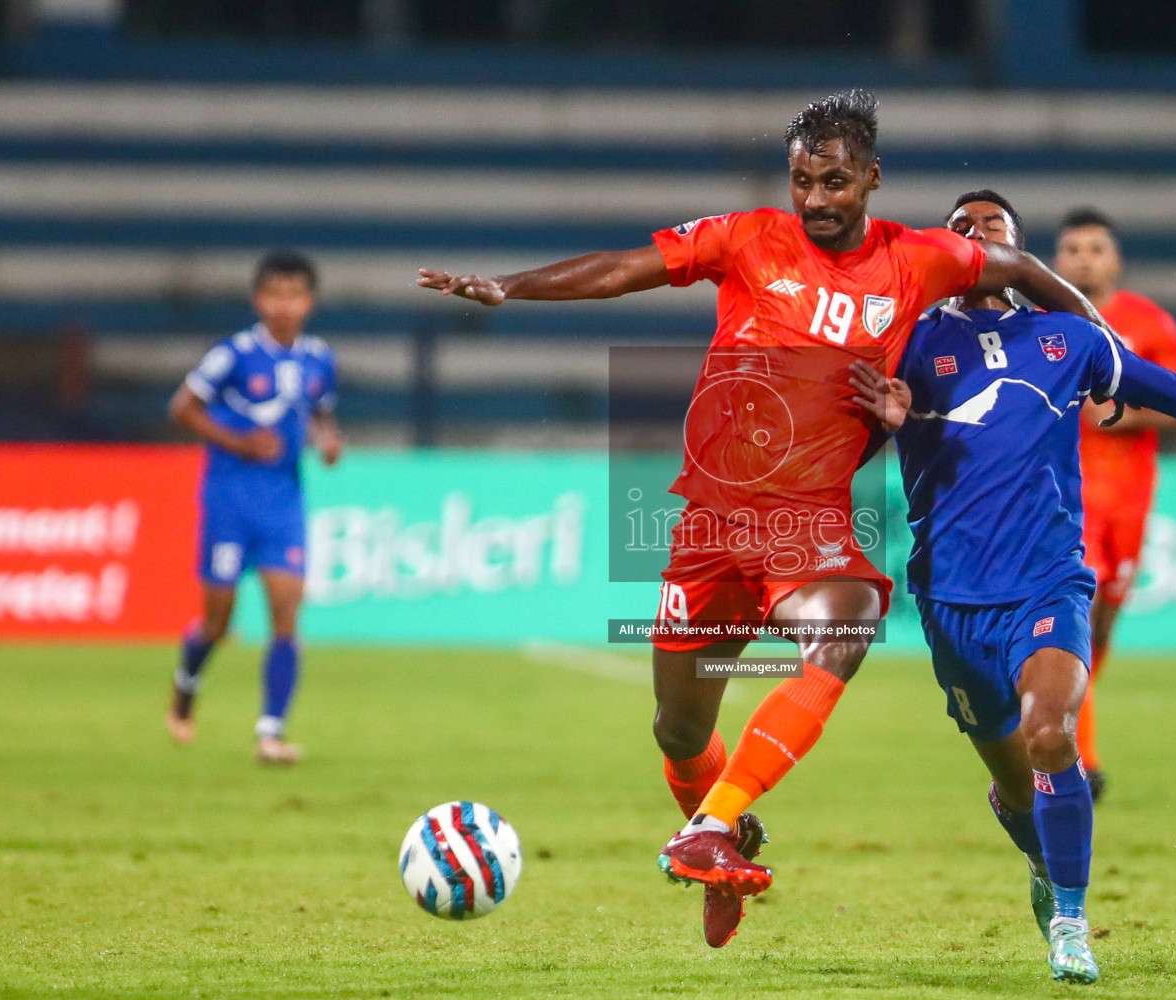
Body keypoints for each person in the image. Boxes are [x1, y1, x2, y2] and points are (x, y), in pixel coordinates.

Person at [416, 90, 1111, 948]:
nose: (815, 199)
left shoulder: (921, 259)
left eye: (834, 181)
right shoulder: (746, 237)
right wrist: (510, 289)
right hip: (708, 519)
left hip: (805, 522)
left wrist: (1099, 344)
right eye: (802, 182)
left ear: (871, 180)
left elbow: (1019, 270)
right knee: (678, 727)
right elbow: (626, 268)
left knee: (847, 627)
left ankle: (710, 824)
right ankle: (725, 837)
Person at [851, 189, 1176, 983]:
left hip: (1048, 581)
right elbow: (845, 442)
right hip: (951, 599)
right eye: (962, 228)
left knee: (1052, 735)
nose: (979, 236)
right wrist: (883, 422)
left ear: (1018, 252)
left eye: (995, 227)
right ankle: (1046, 869)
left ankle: (1072, 922)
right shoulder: (905, 342)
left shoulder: (1070, 338)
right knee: (1016, 789)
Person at [166, 251, 343, 765]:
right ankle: (187, 679)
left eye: (295, 295)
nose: (285, 305)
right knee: (217, 624)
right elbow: (182, 407)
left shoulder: (319, 359)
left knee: (286, 613)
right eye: (275, 294)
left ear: (308, 302)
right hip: (229, 501)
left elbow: (323, 415)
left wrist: (329, 441)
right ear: (258, 300)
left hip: (283, 503)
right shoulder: (233, 355)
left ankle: (270, 732)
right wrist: (237, 443)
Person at [1054, 208, 1176, 800]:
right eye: (1072, 249)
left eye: (1095, 248)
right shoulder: (1040, 321)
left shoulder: (1148, 323)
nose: (1083, 258)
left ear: (1115, 260)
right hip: (1062, 501)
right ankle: (1077, 754)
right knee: (1074, 621)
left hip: (1129, 502)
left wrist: (1124, 415)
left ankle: (1061, 711)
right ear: (1055, 260)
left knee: (1103, 622)